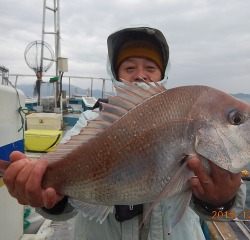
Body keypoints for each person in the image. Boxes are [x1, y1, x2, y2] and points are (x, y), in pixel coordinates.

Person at [3, 25, 246, 240]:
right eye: (129, 66)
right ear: (116, 74)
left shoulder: (183, 118)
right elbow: (63, 201)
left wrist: (223, 201)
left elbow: (223, 213)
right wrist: (48, 197)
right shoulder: (92, 120)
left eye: (150, 66)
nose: (140, 74)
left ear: (163, 74)